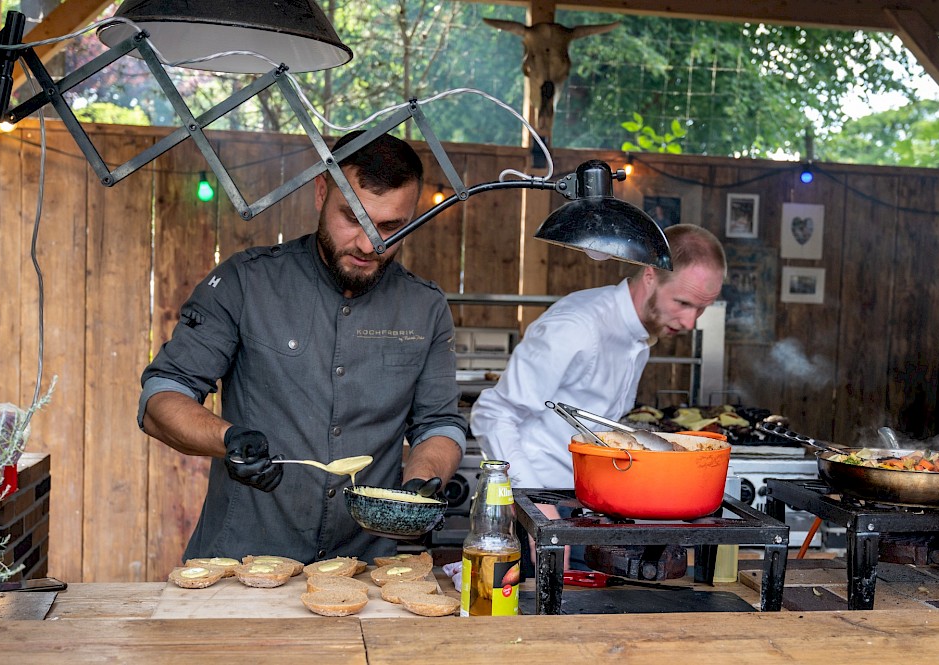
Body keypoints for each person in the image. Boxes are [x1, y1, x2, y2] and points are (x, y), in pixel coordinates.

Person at [138, 130, 466, 565]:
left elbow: (439, 426)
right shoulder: (246, 283)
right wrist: (228, 439)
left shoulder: (425, 308)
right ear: (320, 193)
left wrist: (423, 479)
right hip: (239, 564)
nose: (370, 245)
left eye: (390, 227)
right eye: (353, 218)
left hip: (362, 571)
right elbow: (162, 396)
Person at [469, 224, 726, 568]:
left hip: (580, 509)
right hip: (535, 509)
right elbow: (493, 413)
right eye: (682, 302)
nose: (691, 322)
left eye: (701, 309)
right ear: (650, 276)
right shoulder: (578, 327)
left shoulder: (640, 336)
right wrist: (535, 508)